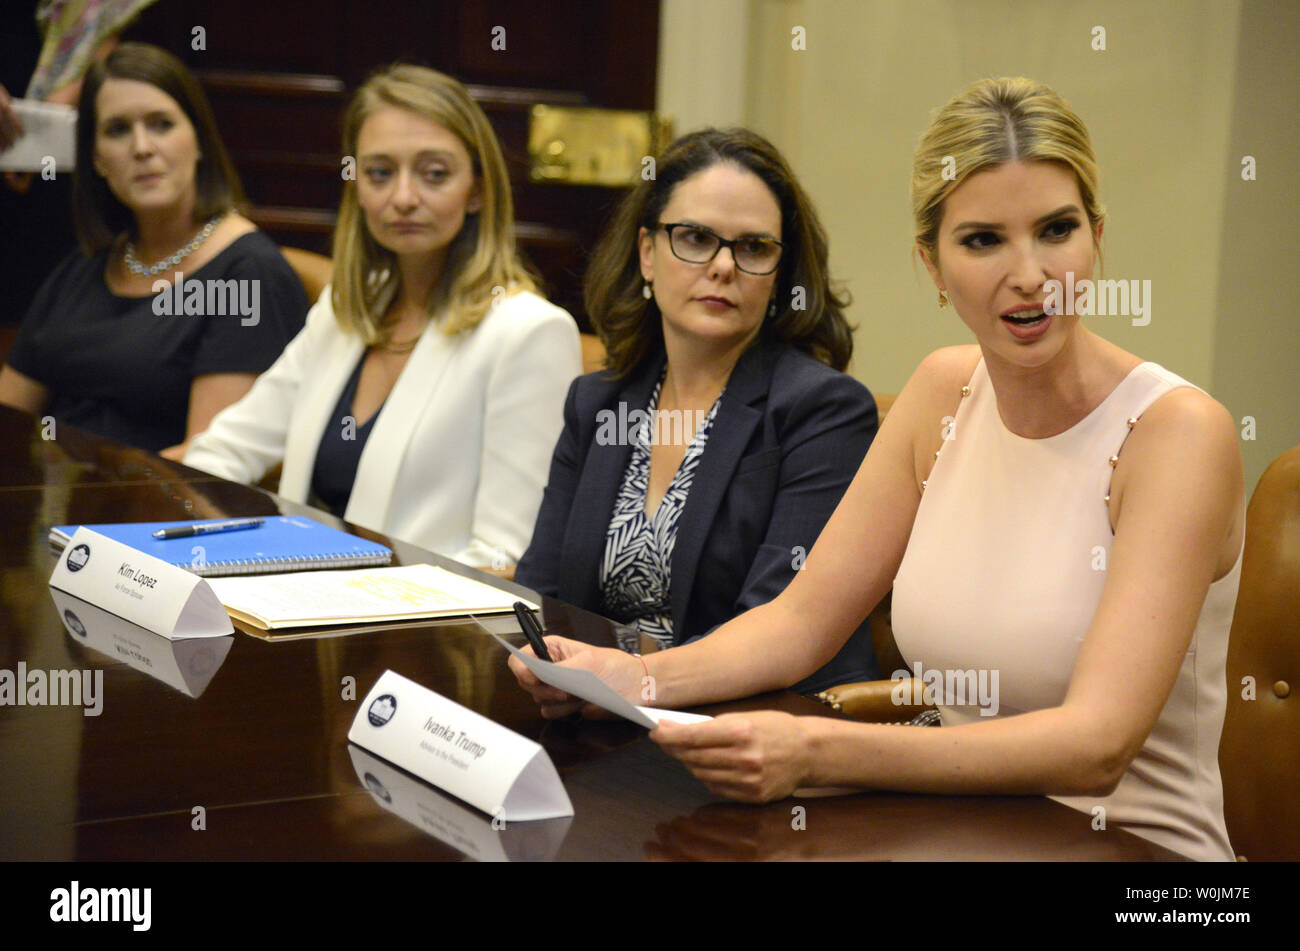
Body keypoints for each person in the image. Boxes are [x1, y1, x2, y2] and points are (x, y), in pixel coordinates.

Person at [510, 79, 1245, 862]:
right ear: (931, 263)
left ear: (1097, 235)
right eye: (983, 240)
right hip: (954, 829)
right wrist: (633, 678)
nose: (1029, 273)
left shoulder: (1176, 433)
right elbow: (800, 622)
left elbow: (1095, 744)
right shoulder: (941, 392)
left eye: (1056, 229)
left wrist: (817, 750)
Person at [514, 128, 882, 694]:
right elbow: (544, 594)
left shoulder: (824, 412)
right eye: (694, 238)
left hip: (755, 729)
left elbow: (780, 630)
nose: (723, 266)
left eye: (754, 248)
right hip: (602, 716)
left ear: (780, 275)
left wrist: (633, 680)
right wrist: (549, 669)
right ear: (647, 254)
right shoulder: (597, 404)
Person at [182, 65, 581, 568]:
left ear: (477, 190)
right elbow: (220, 454)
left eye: (434, 173)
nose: (404, 198)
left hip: (425, 633)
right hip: (294, 603)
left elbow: (507, 557)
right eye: (380, 173)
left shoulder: (527, 333)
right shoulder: (345, 309)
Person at [0, 41, 308, 453]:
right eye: (118, 130)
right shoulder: (85, 266)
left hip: (152, 508)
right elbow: (8, 418)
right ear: (96, 159)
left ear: (198, 140)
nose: (142, 147)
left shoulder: (247, 274)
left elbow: (211, 464)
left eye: (161, 124)